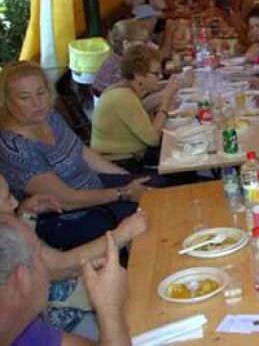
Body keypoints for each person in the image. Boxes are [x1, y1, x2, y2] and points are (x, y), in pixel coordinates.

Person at [0, 62, 151, 250]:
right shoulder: (13, 147)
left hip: (97, 187)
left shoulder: (49, 116)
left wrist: (123, 176)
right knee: (148, 216)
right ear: (8, 102)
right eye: (25, 97)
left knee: (155, 186)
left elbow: (81, 151)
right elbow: (66, 200)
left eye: (41, 92)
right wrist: (124, 193)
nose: (37, 103)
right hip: (66, 218)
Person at [0, 174, 147, 336]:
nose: (14, 201)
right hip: (72, 319)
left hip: (84, 298)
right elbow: (59, 267)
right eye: (7, 197)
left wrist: (26, 215)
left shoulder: (8, 233)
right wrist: (119, 235)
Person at [0, 216, 132, 345]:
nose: (48, 264)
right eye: (39, 253)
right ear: (22, 279)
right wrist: (110, 308)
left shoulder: (24, 329)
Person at [90, 45, 179, 162]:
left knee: (179, 144)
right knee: (180, 152)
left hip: (131, 154)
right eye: (156, 74)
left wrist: (164, 87)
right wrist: (166, 101)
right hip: (119, 161)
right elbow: (153, 139)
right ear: (138, 75)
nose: (161, 76)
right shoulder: (123, 97)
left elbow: (141, 111)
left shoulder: (124, 89)